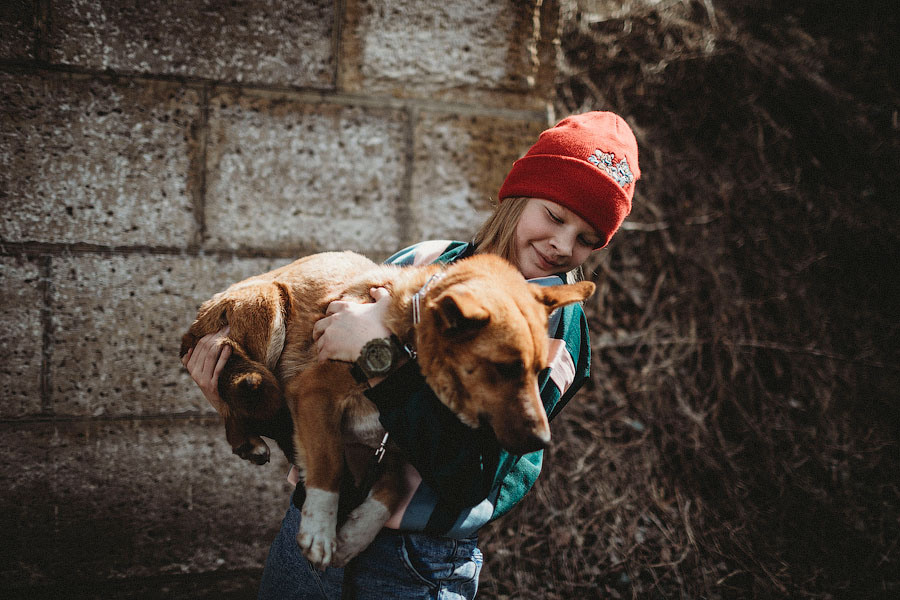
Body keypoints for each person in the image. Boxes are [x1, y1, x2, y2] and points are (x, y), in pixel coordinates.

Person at [182, 111, 640, 599]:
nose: (561, 244)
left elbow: (470, 474)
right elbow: (325, 398)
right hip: (308, 529)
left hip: (412, 566)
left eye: (587, 238)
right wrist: (261, 411)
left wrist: (378, 357)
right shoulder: (422, 262)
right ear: (519, 195)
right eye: (554, 215)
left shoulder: (551, 327)